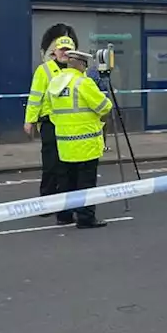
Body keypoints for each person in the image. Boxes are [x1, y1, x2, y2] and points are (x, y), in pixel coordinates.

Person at [47, 49, 112, 229]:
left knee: (66, 180)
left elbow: (49, 109)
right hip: (85, 142)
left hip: (64, 142)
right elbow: (104, 106)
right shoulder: (83, 83)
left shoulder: (55, 82)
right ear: (82, 65)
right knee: (86, 182)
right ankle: (85, 218)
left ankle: (64, 215)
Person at [26, 25, 78, 216]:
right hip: (49, 123)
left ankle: (64, 203)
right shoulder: (44, 70)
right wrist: (29, 120)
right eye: (62, 49)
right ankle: (46, 202)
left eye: (68, 50)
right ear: (54, 52)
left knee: (66, 167)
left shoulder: (77, 70)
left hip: (70, 125)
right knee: (50, 165)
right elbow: (35, 96)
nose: (65, 53)